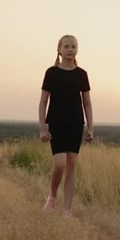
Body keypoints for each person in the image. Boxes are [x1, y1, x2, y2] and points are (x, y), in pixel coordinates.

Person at [38, 34, 93, 218]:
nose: (70, 49)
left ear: (76, 50)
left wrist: (90, 128)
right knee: (60, 163)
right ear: (59, 50)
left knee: (72, 165)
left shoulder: (82, 74)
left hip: (76, 124)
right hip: (56, 123)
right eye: (67, 46)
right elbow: (43, 102)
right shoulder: (51, 73)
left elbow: (87, 103)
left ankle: (67, 210)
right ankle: (52, 196)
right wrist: (43, 128)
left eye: (73, 46)